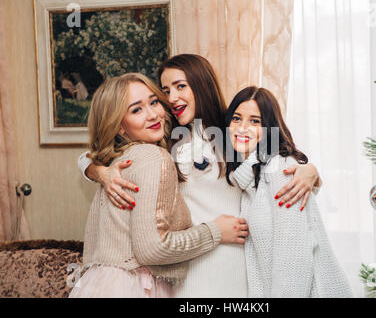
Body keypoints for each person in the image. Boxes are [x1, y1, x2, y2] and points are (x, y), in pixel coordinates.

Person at [77, 54, 322, 297]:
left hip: (234, 264)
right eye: (165, 90)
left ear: (202, 85)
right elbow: (88, 156)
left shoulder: (233, 133)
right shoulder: (166, 140)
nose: (172, 98)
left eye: (180, 86)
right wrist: (101, 172)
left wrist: (311, 172)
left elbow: (278, 160)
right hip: (186, 263)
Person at [69, 73, 248, 298]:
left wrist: (307, 171)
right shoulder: (154, 156)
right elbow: (153, 249)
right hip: (135, 285)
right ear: (120, 127)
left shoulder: (123, 157)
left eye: (154, 102)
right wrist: (215, 231)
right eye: (137, 110)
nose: (154, 113)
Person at [225, 86, 353, 297]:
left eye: (255, 121)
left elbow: (294, 260)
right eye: (237, 118)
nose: (242, 128)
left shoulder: (280, 167)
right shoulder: (248, 179)